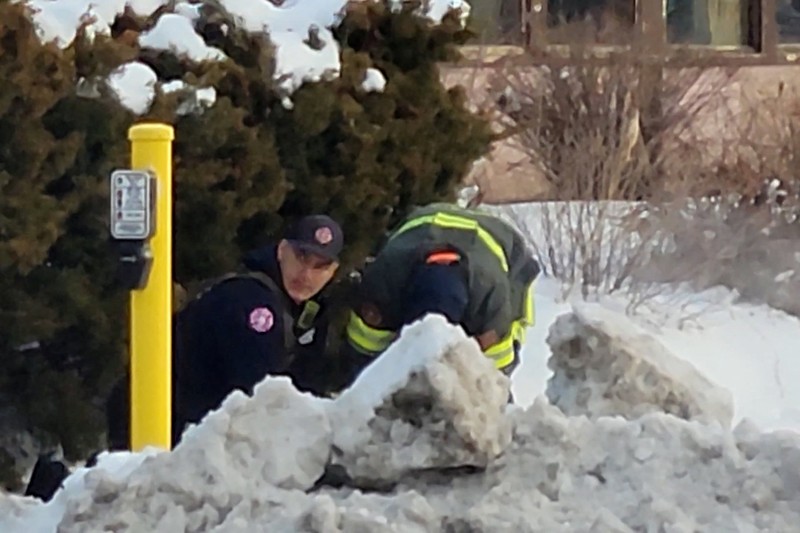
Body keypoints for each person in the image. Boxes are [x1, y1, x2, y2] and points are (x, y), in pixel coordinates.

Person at [106, 214, 344, 450]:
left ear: (333, 271)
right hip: (161, 428)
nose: (306, 275)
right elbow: (262, 395)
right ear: (282, 251)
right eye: (301, 258)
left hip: (166, 423)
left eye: (320, 267)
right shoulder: (254, 302)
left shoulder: (283, 301)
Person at [343, 203, 540, 386]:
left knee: (478, 384)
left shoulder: (491, 303)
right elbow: (365, 361)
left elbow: (496, 377)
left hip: (501, 245)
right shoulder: (383, 283)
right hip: (423, 227)